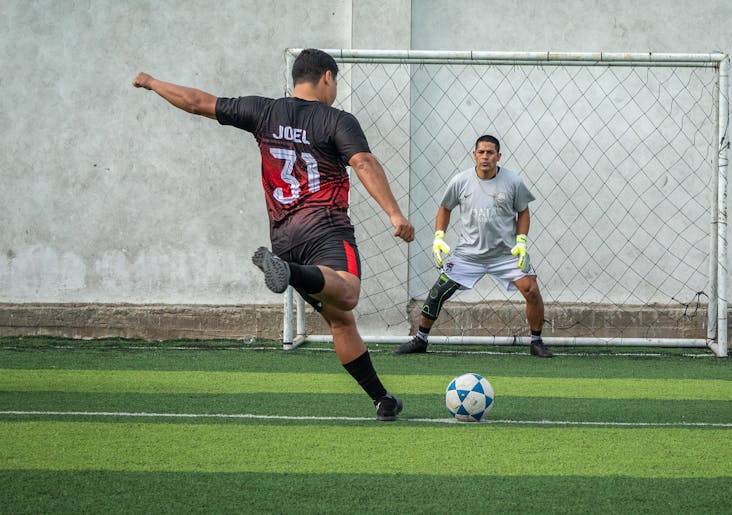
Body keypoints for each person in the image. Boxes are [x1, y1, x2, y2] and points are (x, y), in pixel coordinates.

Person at [132, 48, 415, 420]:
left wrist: (152, 82)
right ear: (327, 77)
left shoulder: (264, 111)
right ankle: (288, 271)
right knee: (347, 294)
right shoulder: (338, 120)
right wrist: (395, 213)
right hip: (324, 226)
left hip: (284, 234)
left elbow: (199, 102)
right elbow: (363, 161)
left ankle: (382, 399)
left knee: (340, 321)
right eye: (336, 82)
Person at [396, 135, 553, 358]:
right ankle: (420, 339)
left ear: (498, 156)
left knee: (532, 290)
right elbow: (445, 208)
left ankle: (536, 342)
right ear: (474, 154)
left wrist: (521, 242)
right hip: (468, 255)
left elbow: (523, 211)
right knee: (438, 291)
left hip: (505, 255)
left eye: (490, 152)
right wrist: (439, 237)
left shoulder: (513, 182)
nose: (485, 156)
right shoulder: (460, 181)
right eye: (481, 152)